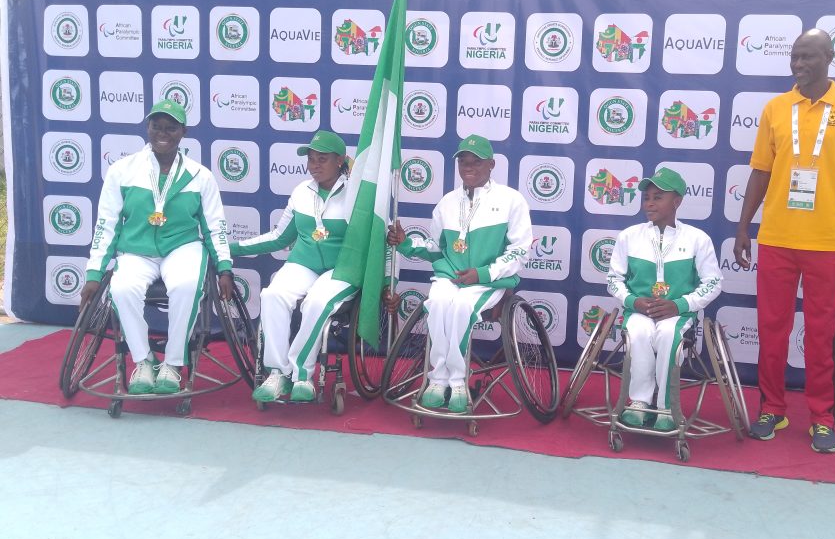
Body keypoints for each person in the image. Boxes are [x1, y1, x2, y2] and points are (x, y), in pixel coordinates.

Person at [733, 28, 835, 453]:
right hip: (777, 238)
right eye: (795, 56)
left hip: (828, 243)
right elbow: (761, 170)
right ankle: (772, 409)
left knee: (821, 335)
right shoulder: (777, 108)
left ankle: (822, 418)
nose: (799, 64)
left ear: (830, 57)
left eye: (808, 56)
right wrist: (743, 227)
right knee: (771, 329)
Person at [80, 99, 233, 394]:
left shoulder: (200, 175)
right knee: (122, 289)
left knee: (186, 286)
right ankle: (144, 361)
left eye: (171, 128)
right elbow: (106, 224)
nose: (162, 133)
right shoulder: (122, 170)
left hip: (182, 247)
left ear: (183, 132)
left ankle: (173, 364)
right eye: (156, 126)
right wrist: (94, 273)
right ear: (148, 128)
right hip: (136, 250)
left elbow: (215, 225)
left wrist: (224, 267)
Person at [387, 135, 532, 413]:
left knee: (462, 307)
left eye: (476, 161)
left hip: (489, 280)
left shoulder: (511, 200)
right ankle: (438, 380)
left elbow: (520, 251)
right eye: (463, 161)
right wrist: (406, 243)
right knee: (438, 303)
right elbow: (436, 248)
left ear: (491, 165)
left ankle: (457, 383)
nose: (468, 167)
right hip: (450, 277)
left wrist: (482, 273)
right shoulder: (447, 202)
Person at [231, 130, 358, 403]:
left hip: (342, 268)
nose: (314, 165)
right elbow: (280, 237)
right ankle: (277, 373)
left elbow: (377, 240)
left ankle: (302, 376)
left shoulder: (357, 194)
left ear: (340, 160)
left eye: (322, 159)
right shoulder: (301, 191)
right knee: (272, 295)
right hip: (304, 263)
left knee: (317, 302)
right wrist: (233, 248)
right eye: (311, 159)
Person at [607, 168, 723, 429]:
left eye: (658, 197)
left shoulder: (697, 239)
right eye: (647, 197)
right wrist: (633, 301)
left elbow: (713, 282)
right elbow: (613, 279)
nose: (649, 203)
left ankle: (665, 407)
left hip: (678, 314)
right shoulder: (629, 236)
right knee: (638, 332)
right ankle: (639, 403)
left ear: (677, 202)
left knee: (669, 334)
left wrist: (679, 305)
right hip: (639, 311)